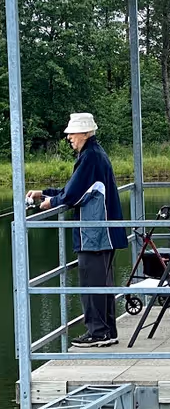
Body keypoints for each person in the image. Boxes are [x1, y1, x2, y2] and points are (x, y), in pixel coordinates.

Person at [27, 113, 127, 348]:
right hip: (101, 233)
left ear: (85, 133)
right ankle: (107, 331)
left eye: (72, 133)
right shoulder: (93, 154)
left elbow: (73, 195)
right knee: (102, 284)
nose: (69, 137)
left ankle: (98, 332)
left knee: (91, 284)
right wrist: (45, 192)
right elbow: (74, 188)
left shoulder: (90, 157)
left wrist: (50, 202)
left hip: (95, 233)